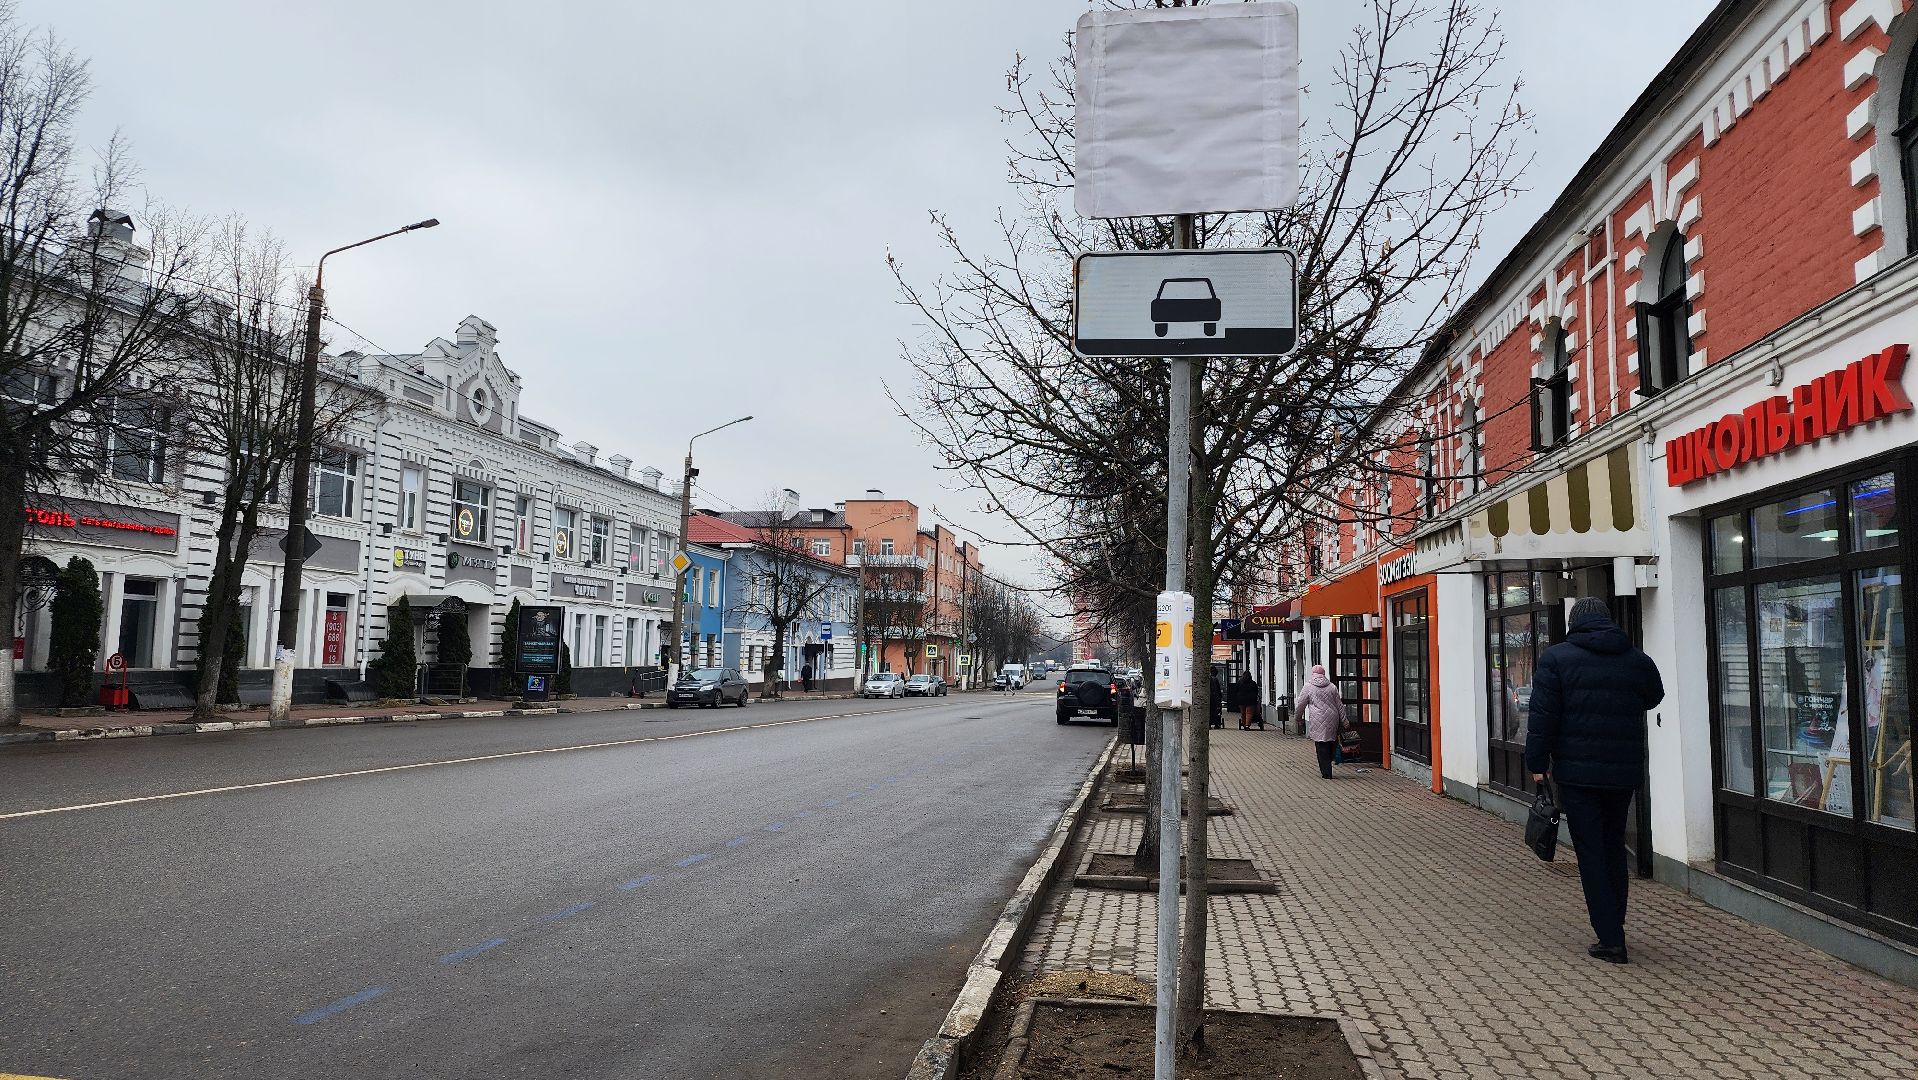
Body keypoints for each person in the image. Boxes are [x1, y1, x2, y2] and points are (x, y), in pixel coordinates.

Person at [1526, 596, 1665, 965]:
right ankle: (1613, 925)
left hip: (1577, 774)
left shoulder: (1556, 659)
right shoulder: (1637, 659)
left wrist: (1537, 762)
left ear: (1574, 623)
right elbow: (1655, 696)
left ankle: (1611, 938)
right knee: (1613, 847)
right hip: (1622, 773)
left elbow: (1542, 716)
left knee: (1591, 853)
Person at [1297, 665, 1347, 778]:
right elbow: (1340, 706)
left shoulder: (1308, 687)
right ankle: (1329, 762)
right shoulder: (1332, 687)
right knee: (1330, 742)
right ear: (1323, 674)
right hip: (1332, 718)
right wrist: (1345, 721)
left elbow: (1300, 704)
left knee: (1320, 744)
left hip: (1317, 719)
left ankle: (1326, 771)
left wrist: (1298, 717)